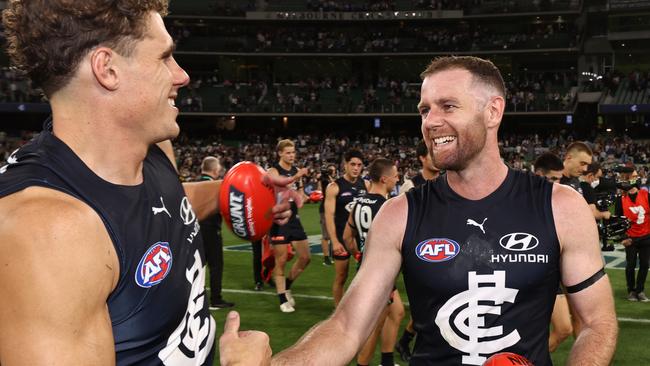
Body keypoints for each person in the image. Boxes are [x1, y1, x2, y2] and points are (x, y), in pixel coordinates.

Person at [220, 56, 617, 366]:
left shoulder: (559, 206)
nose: (431, 121)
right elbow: (345, 327)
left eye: (447, 105)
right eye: (425, 109)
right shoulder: (399, 215)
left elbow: (597, 323)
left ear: (493, 111)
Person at [0, 1, 291, 364]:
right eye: (164, 58)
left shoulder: (148, 146)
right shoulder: (45, 232)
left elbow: (157, 205)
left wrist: (234, 191)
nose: (182, 75)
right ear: (107, 69)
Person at [343, 158, 402, 366]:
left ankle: (386, 361)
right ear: (384, 179)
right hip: (380, 275)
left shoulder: (358, 202)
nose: (398, 179)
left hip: (367, 269)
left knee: (397, 312)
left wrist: (359, 255)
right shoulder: (387, 207)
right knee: (375, 326)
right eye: (395, 176)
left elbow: (347, 237)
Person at [396, 139, 441, 362]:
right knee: (428, 303)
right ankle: (409, 341)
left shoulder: (447, 182)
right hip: (419, 252)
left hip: (443, 250)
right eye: (432, 154)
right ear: (422, 158)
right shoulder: (411, 185)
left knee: (436, 301)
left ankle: (406, 340)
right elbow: (401, 222)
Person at [533, 152, 573, 353]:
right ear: (540, 175)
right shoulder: (517, 197)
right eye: (554, 179)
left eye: (560, 179)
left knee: (564, 328)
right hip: (523, 272)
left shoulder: (554, 199)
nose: (558, 184)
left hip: (550, 270)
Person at [268, 139, 311, 313]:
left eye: (293, 152)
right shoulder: (273, 170)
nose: (292, 155)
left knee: (305, 257)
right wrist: (296, 177)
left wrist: (307, 197)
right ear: (280, 153)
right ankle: (282, 299)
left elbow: (299, 196)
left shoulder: (295, 171)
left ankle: (287, 285)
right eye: (288, 152)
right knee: (281, 260)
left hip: (294, 220)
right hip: (278, 221)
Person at [325, 149, 369, 306]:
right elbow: (328, 216)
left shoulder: (366, 184)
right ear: (345, 165)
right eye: (352, 164)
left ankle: (360, 307)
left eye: (359, 165)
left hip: (361, 239)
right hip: (341, 238)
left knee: (363, 276)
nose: (356, 168)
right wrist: (335, 241)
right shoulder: (334, 187)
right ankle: (338, 311)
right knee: (341, 276)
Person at [198, 156, 234, 309]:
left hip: (195, 230)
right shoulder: (215, 185)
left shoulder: (196, 182)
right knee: (216, 265)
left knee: (198, 266)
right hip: (211, 230)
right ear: (215, 169)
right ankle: (216, 299)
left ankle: (194, 299)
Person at [615, 167, 650, 302]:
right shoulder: (621, 199)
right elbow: (618, 220)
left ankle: (640, 290)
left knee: (645, 265)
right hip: (630, 237)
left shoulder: (646, 195)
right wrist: (623, 237)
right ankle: (631, 290)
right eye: (633, 177)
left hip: (646, 236)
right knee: (630, 265)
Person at [319, 163, 338, 266]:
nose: (332, 172)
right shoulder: (325, 180)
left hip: (334, 208)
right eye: (330, 170)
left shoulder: (333, 180)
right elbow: (332, 185)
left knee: (333, 233)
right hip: (325, 209)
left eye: (333, 170)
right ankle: (326, 258)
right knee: (326, 235)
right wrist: (327, 175)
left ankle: (332, 254)